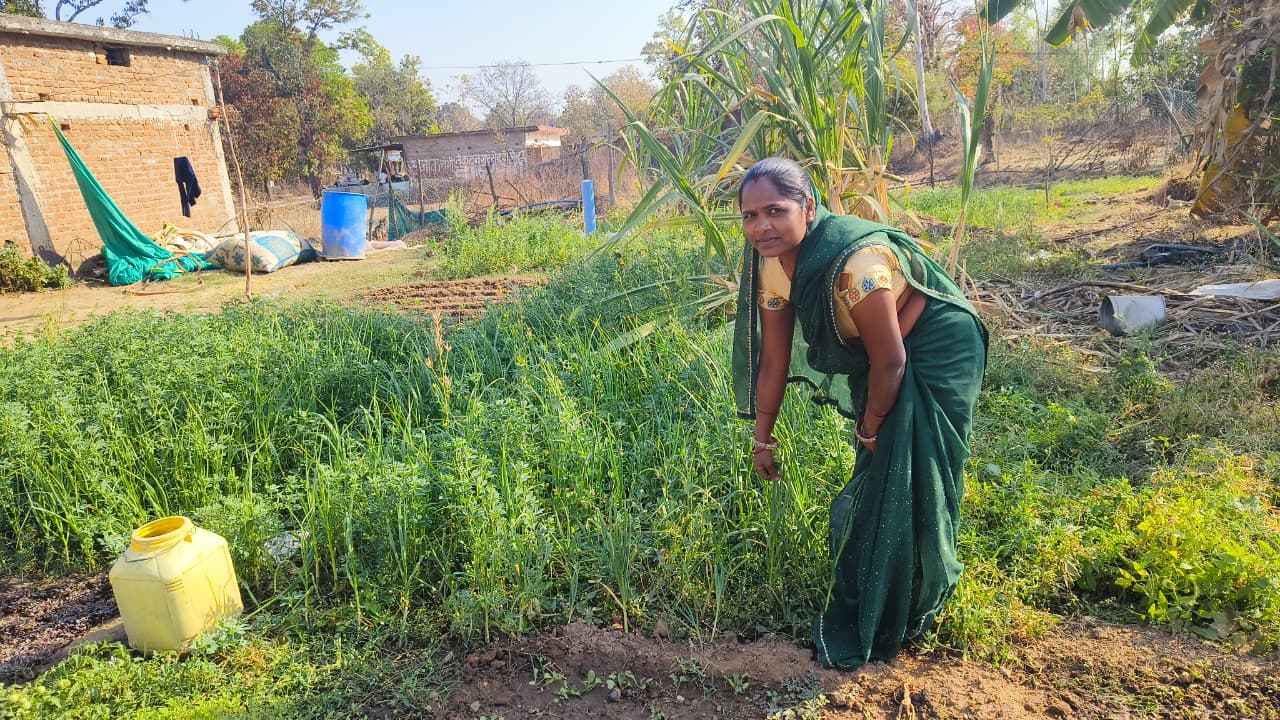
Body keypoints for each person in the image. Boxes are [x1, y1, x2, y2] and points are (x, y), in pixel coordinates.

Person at [731, 157, 988, 670]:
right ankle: (888, 579)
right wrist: (762, 439)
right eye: (749, 215)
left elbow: (891, 361)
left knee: (915, 463)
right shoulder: (774, 269)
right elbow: (775, 361)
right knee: (881, 470)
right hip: (886, 351)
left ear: (808, 208)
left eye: (775, 211)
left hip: (938, 343)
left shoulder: (857, 265)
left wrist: (869, 423)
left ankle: (918, 596)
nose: (761, 227)